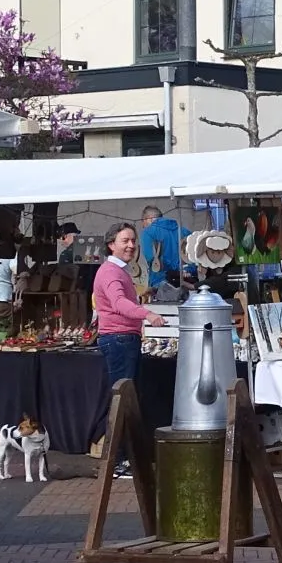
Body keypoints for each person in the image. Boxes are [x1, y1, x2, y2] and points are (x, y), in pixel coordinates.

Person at [92, 224, 145, 478]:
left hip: (122, 338)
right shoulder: (111, 272)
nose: (131, 245)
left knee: (123, 397)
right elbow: (119, 303)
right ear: (111, 244)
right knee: (121, 399)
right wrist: (148, 314)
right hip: (120, 339)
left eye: (133, 240)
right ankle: (117, 460)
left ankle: (122, 457)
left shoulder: (116, 271)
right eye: (125, 241)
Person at [138, 205, 184, 292]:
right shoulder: (183, 230)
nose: (143, 225)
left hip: (160, 283)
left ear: (147, 219)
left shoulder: (148, 232)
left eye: (142, 221)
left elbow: (149, 257)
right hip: (184, 281)